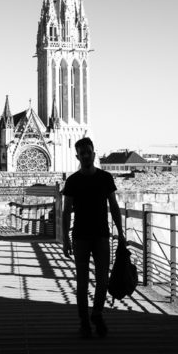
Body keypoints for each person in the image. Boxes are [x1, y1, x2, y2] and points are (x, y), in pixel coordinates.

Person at [62, 137, 125, 338]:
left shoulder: (106, 178)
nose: (86, 156)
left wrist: (121, 233)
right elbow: (65, 211)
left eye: (89, 152)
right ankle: (84, 323)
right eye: (83, 153)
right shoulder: (72, 181)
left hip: (101, 235)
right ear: (77, 157)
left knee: (102, 280)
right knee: (82, 281)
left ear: (94, 153)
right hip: (80, 236)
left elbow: (114, 207)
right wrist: (65, 238)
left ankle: (96, 314)